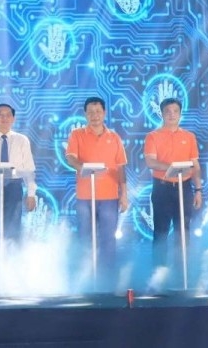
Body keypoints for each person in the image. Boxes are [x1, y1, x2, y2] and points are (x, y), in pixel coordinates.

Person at [66, 97, 128, 289]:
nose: (95, 116)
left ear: (104, 113)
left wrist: (124, 194)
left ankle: (106, 281)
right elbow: (70, 157)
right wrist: (83, 168)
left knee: (108, 239)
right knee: (85, 236)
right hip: (85, 197)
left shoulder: (114, 137)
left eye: (98, 111)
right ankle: (85, 278)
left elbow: (121, 167)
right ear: (85, 114)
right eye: (91, 112)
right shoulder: (77, 134)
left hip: (109, 196)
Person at [144, 97, 203, 269]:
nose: (172, 115)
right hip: (162, 188)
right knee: (161, 231)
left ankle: (182, 271)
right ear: (162, 114)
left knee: (183, 230)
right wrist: (173, 167)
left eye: (175, 111)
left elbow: (195, 165)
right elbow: (150, 162)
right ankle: (159, 273)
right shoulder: (153, 136)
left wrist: (198, 190)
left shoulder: (189, 137)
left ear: (180, 114)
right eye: (168, 112)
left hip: (184, 188)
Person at [0, 103, 37, 242]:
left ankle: (12, 253)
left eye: (8, 115)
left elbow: (29, 169)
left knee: (13, 227)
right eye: (0, 115)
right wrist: (8, 169)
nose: (4, 118)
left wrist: (31, 194)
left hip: (14, 187)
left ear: (13, 119)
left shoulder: (22, 140)